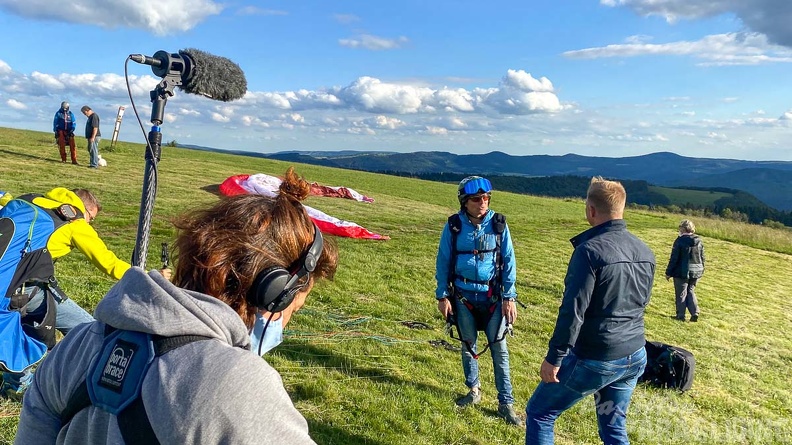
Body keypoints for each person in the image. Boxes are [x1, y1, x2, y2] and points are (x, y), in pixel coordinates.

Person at [15, 167, 338, 444]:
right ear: (276, 293)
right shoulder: (239, 383)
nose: (288, 319)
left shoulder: (76, 345)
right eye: (294, 307)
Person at [525, 177, 655, 445]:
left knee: (540, 413)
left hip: (597, 356)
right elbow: (642, 302)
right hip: (634, 353)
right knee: (613, 427)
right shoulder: (645, 251)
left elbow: (573, 311)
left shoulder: (589, 251)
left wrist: (555, 357)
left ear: (591, 210)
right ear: (621, 208)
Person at [1, 188, 132, 400]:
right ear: (86, 210)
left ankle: (15, 381)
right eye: (92, 219)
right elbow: (110, 263)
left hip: (9, 283)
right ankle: (75, 385)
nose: (90, 224)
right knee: (89, 330)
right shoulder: (76, 224)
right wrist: (146, 276)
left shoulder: (32, 200)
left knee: (19, 327)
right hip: (26, 290)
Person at [435, 176, 522, 426]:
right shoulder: (453, 226)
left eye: (486, 198)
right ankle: (473, 391)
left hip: (493, 298)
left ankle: (506, 403)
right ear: (465, 201)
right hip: (462, 297)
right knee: (469, 346)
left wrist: (509, 297)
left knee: (500, 350)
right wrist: (442, 294)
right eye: (476, 199)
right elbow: (443, 261)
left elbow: (509, 262)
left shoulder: (498, 225)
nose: (482, 202)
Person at [665, 219, 705, 322]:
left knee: (681, 293)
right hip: (696, 271)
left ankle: (680, 315)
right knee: (691, 291)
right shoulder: (699, 241)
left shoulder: (679, 241)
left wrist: (668, 272)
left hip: (681, 271)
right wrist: (702, 270)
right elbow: (702, 257)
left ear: (683, 229)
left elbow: (674, 258)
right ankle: (695, 312)